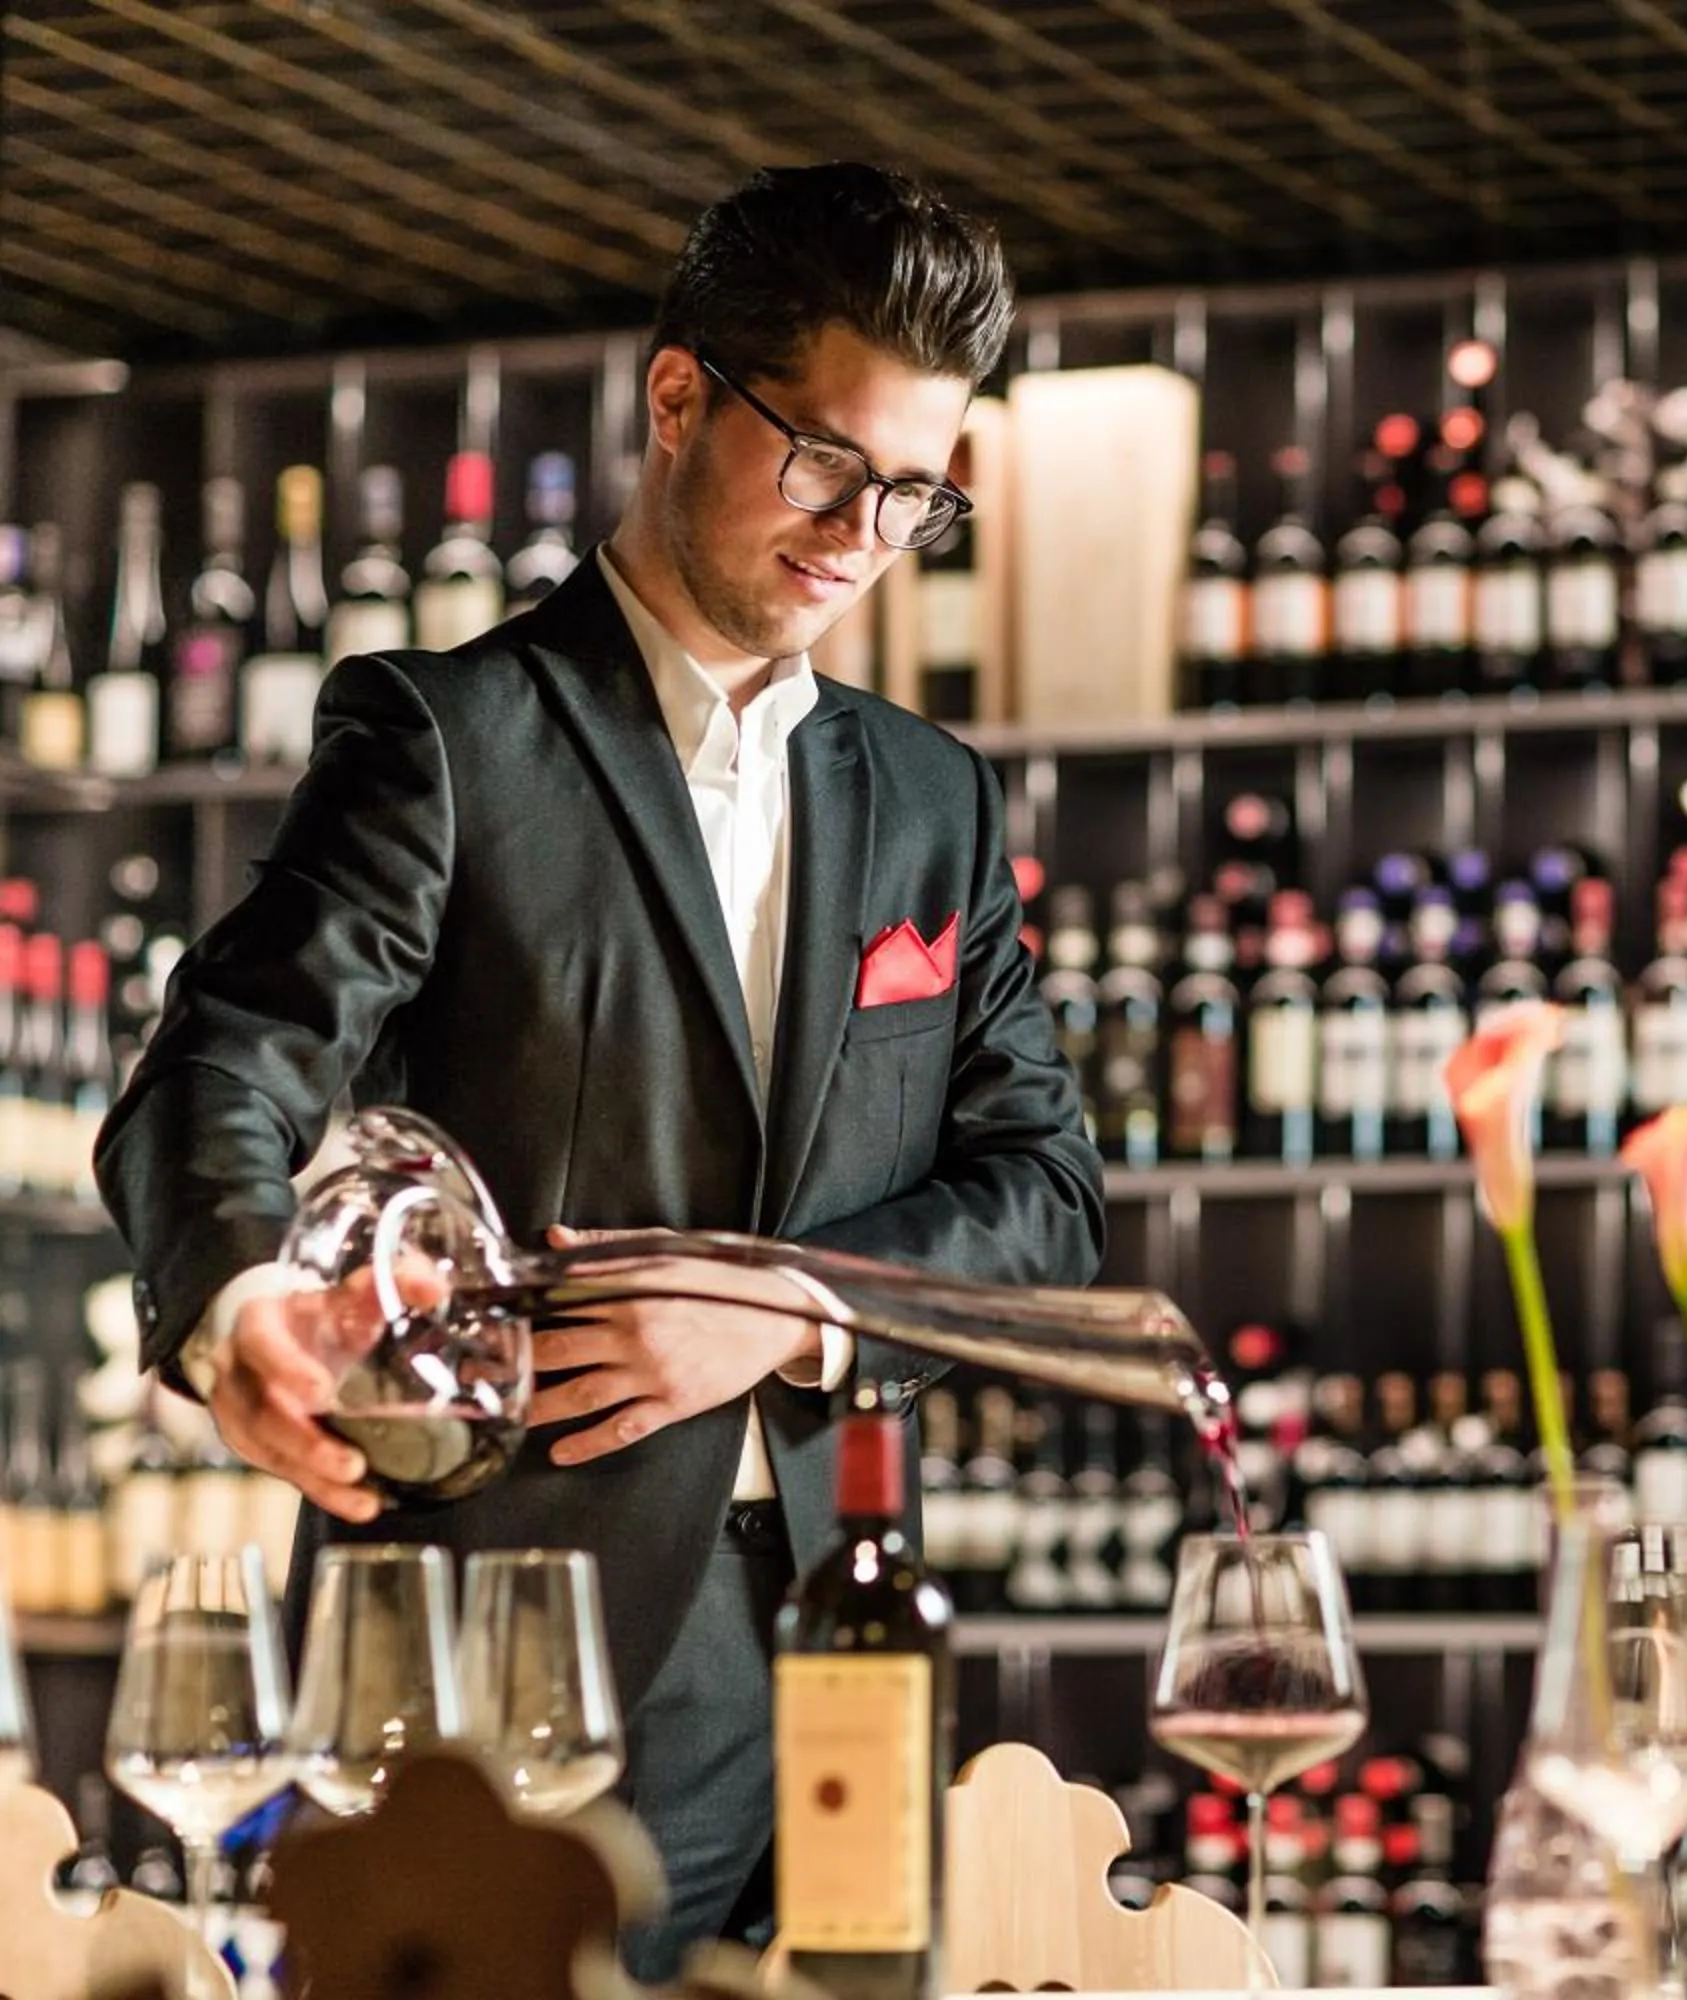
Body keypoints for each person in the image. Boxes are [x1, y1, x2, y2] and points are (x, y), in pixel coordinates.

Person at [93, 163, 1104, 1976]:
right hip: (498, 1670)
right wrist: (236, 1303)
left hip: (847, 1645)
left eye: (915, 494)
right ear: (679, 397)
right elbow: (220, 1061)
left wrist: (784, 1305)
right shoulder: (450, 737)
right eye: (827, 464)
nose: (862, 535)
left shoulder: (933, 800)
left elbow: (1045, 1201)